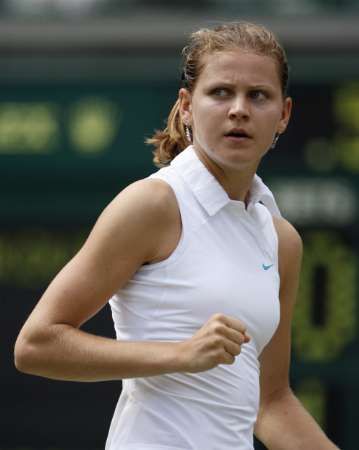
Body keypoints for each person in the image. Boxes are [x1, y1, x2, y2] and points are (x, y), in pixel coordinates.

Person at [14, 21, 339, 450]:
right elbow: (36, 344)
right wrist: (180, 354)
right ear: (186, 106)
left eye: (258, 95)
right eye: (220, 92)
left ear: (283, 115)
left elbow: (272, 402)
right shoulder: (153, 204)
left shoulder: (282, 241)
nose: (238, 109)